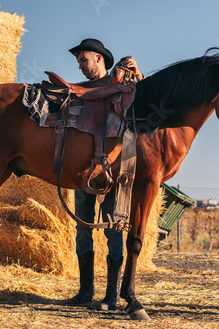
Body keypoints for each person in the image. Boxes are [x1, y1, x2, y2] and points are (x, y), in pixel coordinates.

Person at [66, 38, 143, 311]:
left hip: (114, 170)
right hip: (81, 170)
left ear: (99, 58)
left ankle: (111, 295)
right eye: (78, 63)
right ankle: (85, 290)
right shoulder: (78, 91)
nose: (80, 66)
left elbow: (141, 112)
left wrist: (139, 76)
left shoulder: (125, 87)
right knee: (82, 228)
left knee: (114, 229)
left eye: (83, 60)